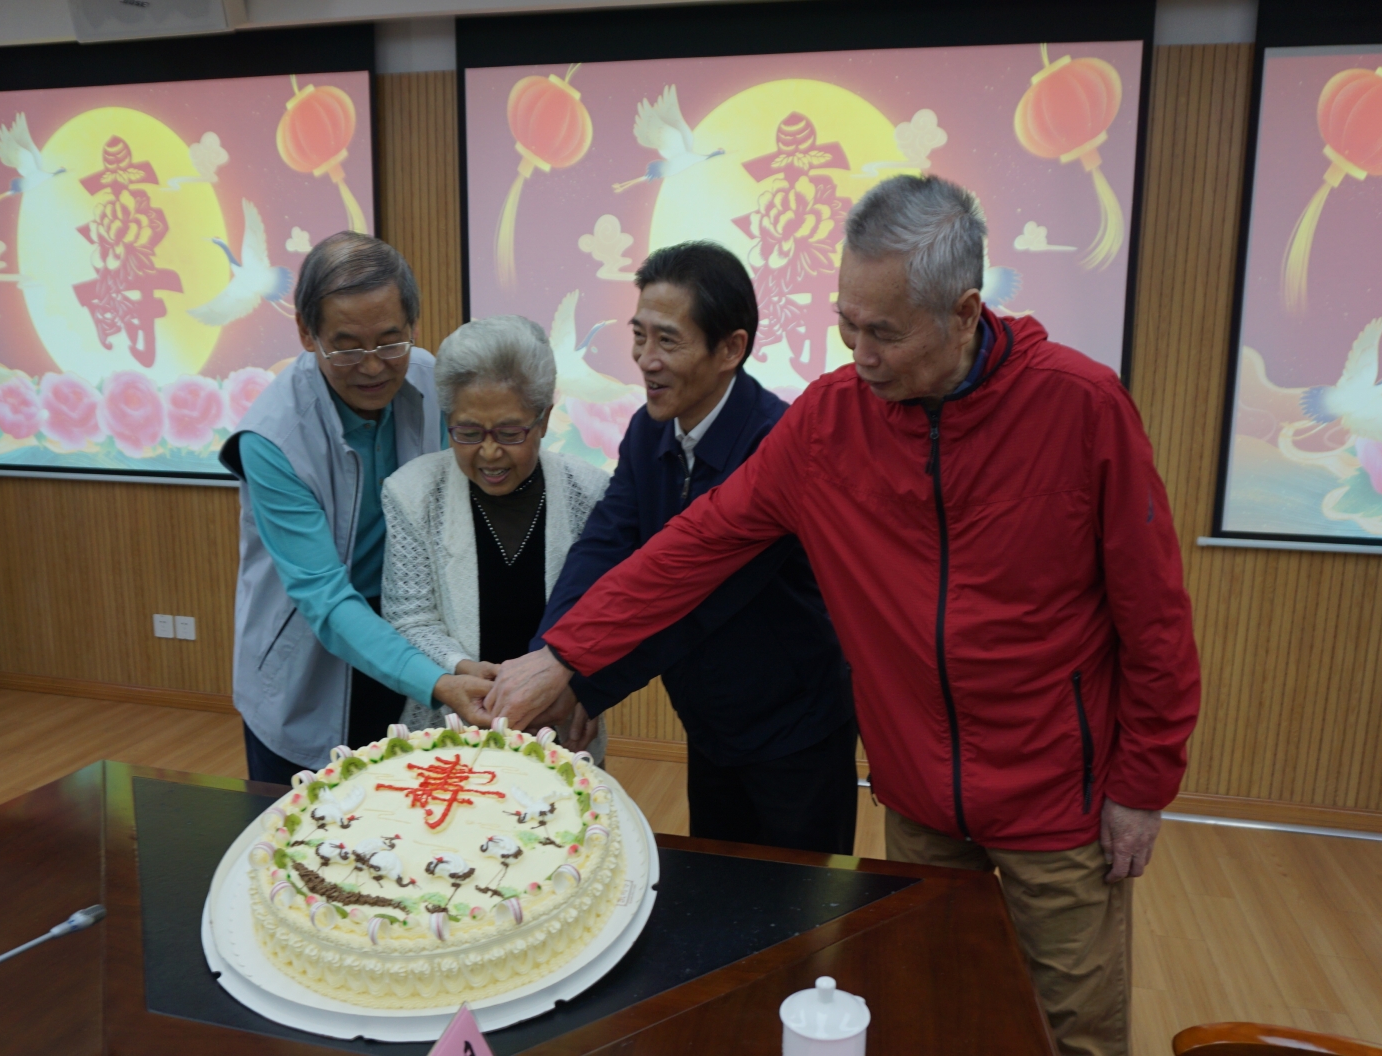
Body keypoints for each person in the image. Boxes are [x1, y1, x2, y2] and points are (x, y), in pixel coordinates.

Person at [488, 178, 1200, 1056]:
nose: (859, 354)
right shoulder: (828, 422)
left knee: (1069, 1031)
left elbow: (1155, 616)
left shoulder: (1082, 407)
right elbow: (697, 545)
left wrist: (1142, 784)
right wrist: (565, 655)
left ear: (966, 310)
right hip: (918, 798)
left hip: (1060, 796)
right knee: (937, 1006)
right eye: (846, 324)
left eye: (885, 332)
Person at [524, 240, 858, 855]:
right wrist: (551, 653)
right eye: (640, 336)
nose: (646, 361)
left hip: (794, 728)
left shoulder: (776, 443)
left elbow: (700, 598)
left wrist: (578, 682)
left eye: (668, 341)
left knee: (802, 915)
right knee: (720, 891)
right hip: (707, 723)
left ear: (730, 348)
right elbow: (605, 544)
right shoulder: (648, 428)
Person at [220, 232, 493, 784]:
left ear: (413, 326)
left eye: (391, 341)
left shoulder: (427, 378)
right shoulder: (271, 440)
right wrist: (440, 681)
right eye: (346, 346)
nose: (373, 367)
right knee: (305, 845)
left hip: (410, 635)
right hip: (309, 658)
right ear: (306, 333)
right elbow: (324, 597)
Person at [380, 315, 611, 759]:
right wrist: (467, 673)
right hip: (449, 731)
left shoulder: (591, 493)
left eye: (509, 433)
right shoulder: (411, 493)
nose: (488, 452)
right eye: (467, 433)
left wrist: (585, 686)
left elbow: (605, 613)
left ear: (542, 419)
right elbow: (409, 618)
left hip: (560, 728)